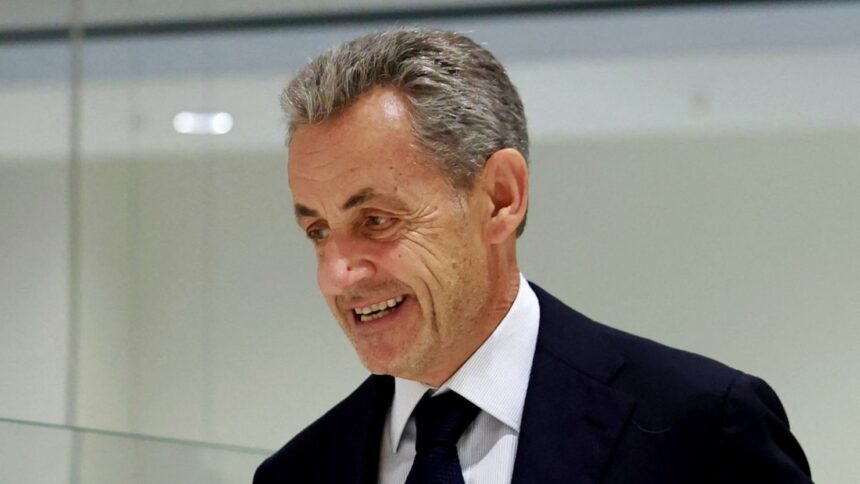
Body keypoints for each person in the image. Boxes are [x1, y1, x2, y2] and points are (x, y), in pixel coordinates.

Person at [254, 28, 812, 483]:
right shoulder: (296, 474)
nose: (337, 276)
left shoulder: (704, 429)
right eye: (317, 231)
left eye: (376, 221)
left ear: (501, 198)